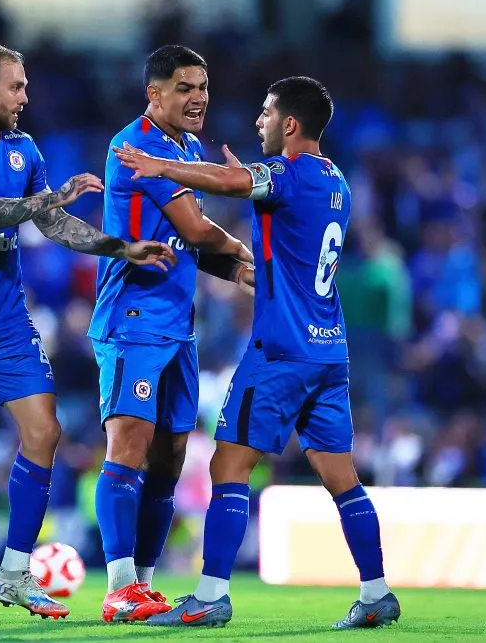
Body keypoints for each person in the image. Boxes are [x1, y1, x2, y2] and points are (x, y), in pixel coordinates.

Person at [0, 42, 176, 623]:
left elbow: (53, 223)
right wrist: (51, 197)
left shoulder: (23, 150)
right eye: (16, 86)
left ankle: (14, 572)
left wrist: (120, 247)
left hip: (7, 319)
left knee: (45, 431)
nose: (24, 97)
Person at [113, 76, 401, 629]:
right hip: (329, 352)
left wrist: (161, 167)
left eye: (267, 113)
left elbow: (232, 182)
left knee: (228, 464)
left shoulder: (288, 174)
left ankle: (210, 597)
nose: (258, 121)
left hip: (280, 352)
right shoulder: (338, 180)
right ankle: (376, 593)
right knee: (341, 477)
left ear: (290, 123)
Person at [90, 44, 253, 624]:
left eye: (203, 88)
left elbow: (185, 245)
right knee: (129, 445)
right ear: (153, 94)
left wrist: (235, 271)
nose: (198, 98)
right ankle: (118, 586)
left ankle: (145, 584)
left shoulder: (186, 150)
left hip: (178, 326)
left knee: (171, 456)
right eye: (185, 88)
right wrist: (243, 252)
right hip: (132, 319)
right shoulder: (136, 148)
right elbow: (196, 228)